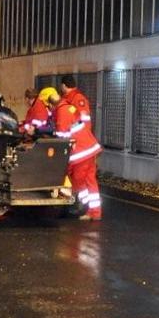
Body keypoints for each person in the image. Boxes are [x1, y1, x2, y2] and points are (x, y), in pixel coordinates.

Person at [48, 89, 103, 220]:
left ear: (51, 105)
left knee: (78, 181)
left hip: (81, 152)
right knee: (90, 181)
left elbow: (63, 137)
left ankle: (82, 204)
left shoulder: (61, 112)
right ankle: (95, 212)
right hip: (90, 148)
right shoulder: (69, 107)